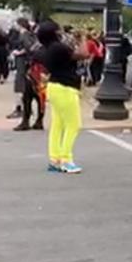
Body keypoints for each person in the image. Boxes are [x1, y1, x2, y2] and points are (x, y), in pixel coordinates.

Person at [38, 21, 89, 174]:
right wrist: (83, 39)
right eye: (58, 30)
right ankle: (66, 159)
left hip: (54, 86)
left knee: (58, 125)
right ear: (54, 33)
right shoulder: (58, 48)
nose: (61, 32)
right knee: (73, 124)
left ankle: (55, 160)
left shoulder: (47, 48)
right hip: (65, 88)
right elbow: (84, 54)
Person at [13, 20, 45, 131]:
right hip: (39, 71)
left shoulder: (28, 38)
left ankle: (28, 121)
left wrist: (19, 52)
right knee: (38, 96)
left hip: (35, 70)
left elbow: (29, 49)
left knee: (30, 95)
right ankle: (37, 121)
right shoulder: (37, 40)